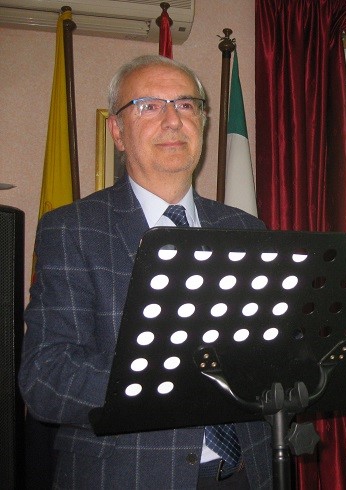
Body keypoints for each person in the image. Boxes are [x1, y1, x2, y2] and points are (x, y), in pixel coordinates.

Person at [19, 55, 272, 489]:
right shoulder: (73, 229)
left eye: (186, 105)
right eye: (149, 106)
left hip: (248, 472)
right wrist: (174, 384)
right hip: (128, 476)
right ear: (117, 131)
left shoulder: (245, 228)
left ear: (204, 124)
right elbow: (46, 377)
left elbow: (271, 347)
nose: (173, 120)